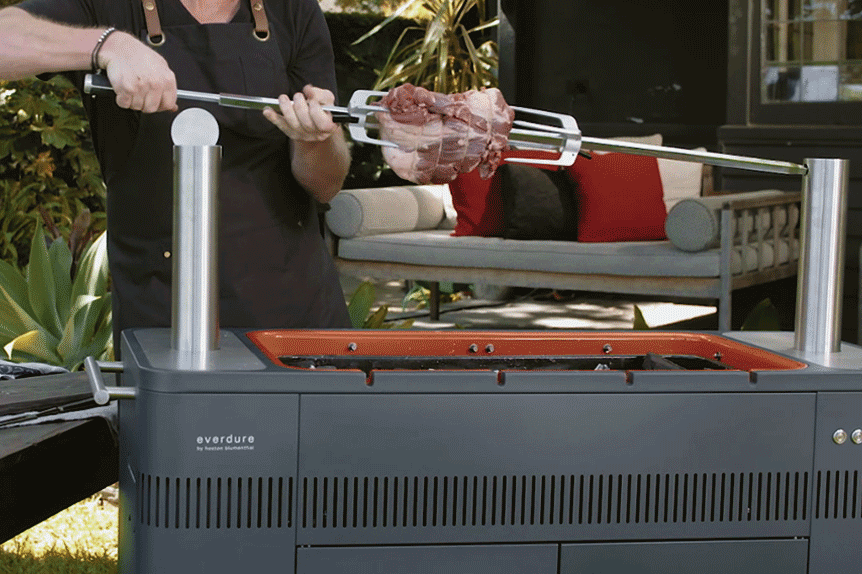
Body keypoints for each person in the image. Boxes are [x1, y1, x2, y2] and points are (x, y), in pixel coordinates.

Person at [0, 0, 353, 346]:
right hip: (161, 309)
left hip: (292, 309)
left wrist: (315, 140)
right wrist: (110, 45)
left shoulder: (293, 9)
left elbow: (326, 185)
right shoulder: (107, 7)